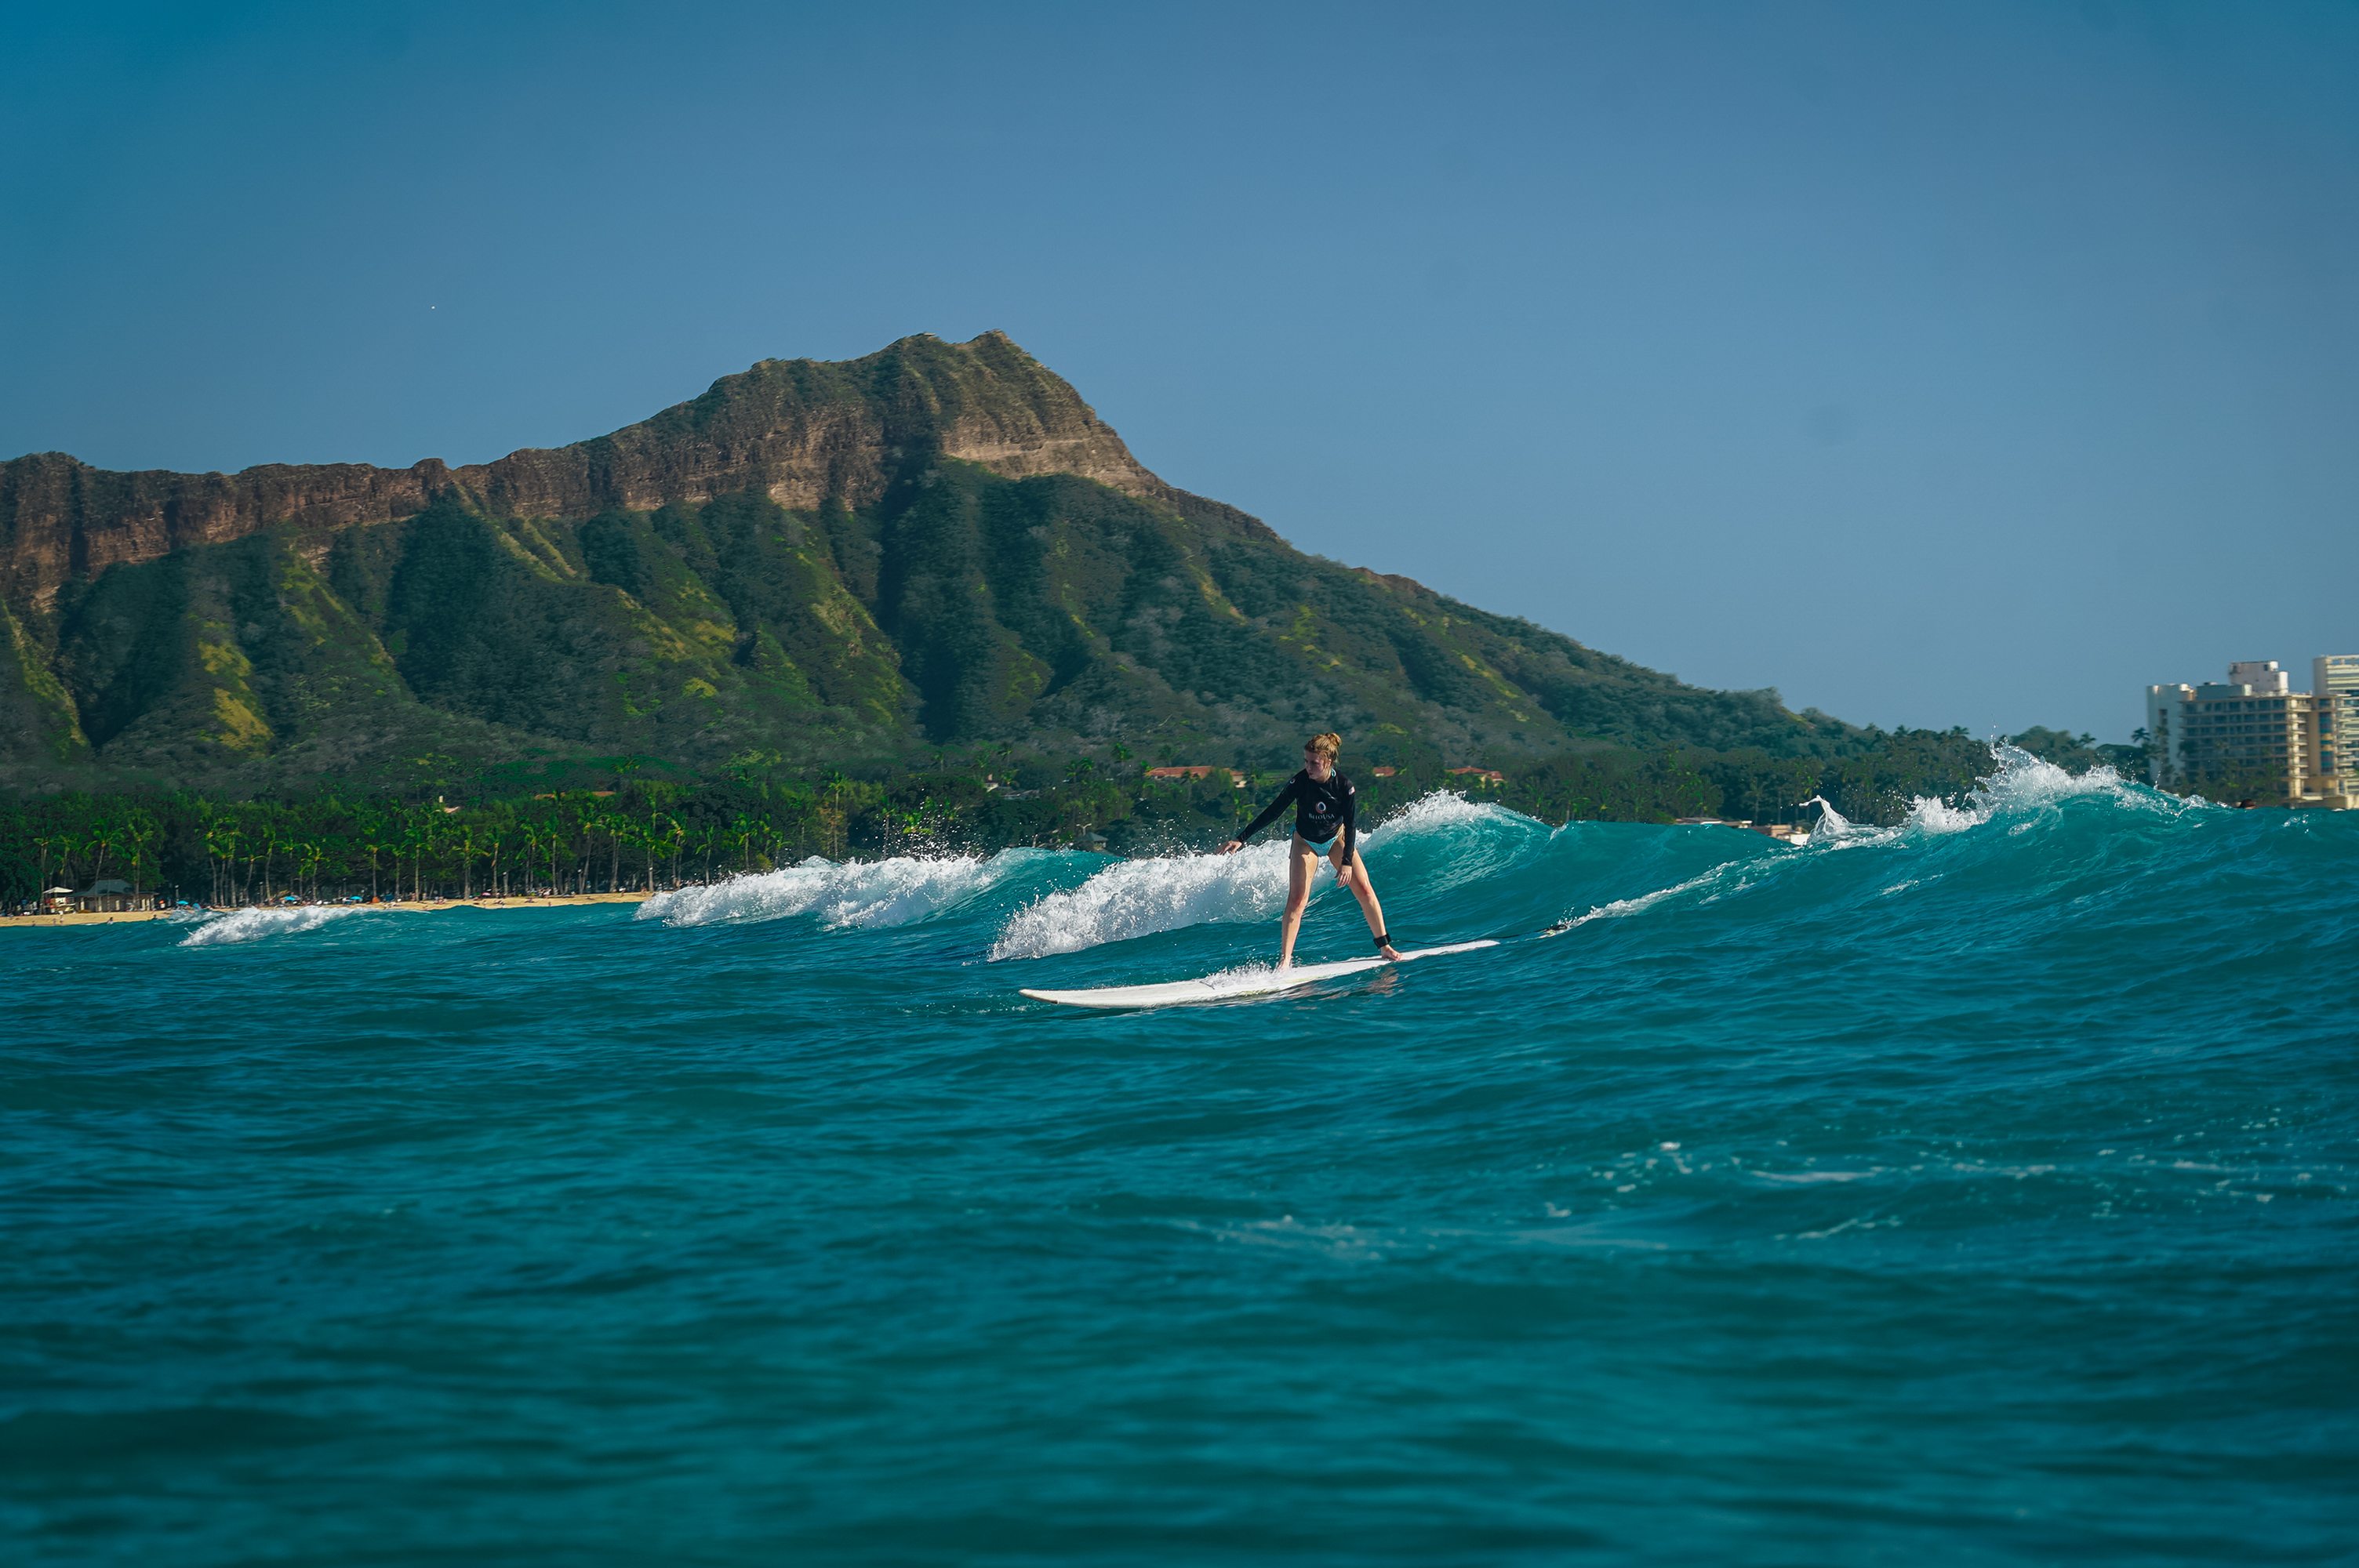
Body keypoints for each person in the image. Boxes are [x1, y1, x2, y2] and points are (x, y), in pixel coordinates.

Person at [1219, 732, 1401, 969]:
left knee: (1365, 889)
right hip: (1305, 841)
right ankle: (1285, 960)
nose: (1308, 767)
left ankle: (1384, 946)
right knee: (1297, 899)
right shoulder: (1300, 782)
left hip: (1336, 839)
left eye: (1314, 763)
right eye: (1306, 761)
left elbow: (1351, 824)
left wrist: (1346, 862)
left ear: (1328, 762)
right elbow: (1274, 810)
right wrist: (1241, 838)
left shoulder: (1344, 786)